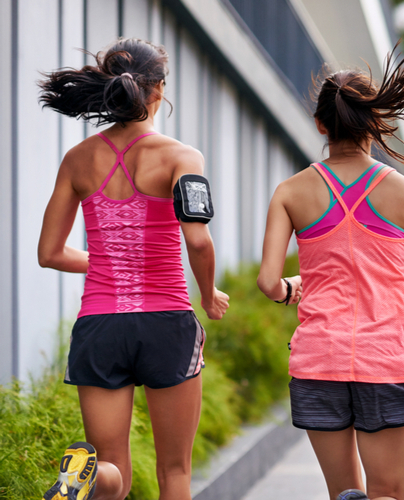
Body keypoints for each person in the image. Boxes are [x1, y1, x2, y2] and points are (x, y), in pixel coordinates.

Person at [37, 38, 229, 500]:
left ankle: (87, 475)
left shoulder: (78, 160)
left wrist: (109, 264)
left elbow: (50, 253)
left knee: (112, 471)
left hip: (100, 326)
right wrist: (208, 294)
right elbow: (198, 240)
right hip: (166, 322)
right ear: (159, 89)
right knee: (175, 471)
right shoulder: (182, 157)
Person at [257, 47, 404, 500]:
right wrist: (383, 298)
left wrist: (292, 291)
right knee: (389, 493)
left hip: (318, 361)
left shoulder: (289, 192)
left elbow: (268, 282)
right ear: (373, 121)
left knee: (342, 492)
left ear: (321, 124)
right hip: (387, 359)